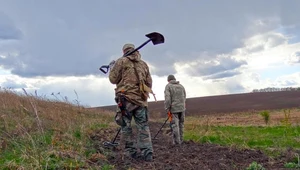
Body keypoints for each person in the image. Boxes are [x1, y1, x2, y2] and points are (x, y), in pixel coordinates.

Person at [108, 43, 154, 162]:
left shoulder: (121, 62)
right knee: (143, 127)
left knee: (126, 126)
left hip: (125, 100)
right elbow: (149, 83)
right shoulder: (143, 64)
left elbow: (113, 79)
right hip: (141, 101)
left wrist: (112, 67)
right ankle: (147, 153)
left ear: (124, 51)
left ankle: (130, 152)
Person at [164, 74, 186, 145]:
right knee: (181, 124)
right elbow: (184, 97)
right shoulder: (181, 86)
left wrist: (167, 108)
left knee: (175, 125)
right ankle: (181, 140)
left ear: (168, 80)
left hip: (174, 109)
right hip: (182, 108)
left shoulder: (168, 86)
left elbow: (167, 99)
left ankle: (177, 143)